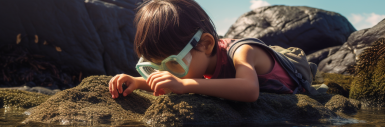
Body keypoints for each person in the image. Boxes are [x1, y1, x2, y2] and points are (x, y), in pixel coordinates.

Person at [109, 0, 304, 102]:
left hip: (295, 72)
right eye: (155, 67)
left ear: (206, 44)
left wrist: (185, 85)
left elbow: (250, 90)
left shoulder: (242, 53)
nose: (167, 73)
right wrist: (136, 82)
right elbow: (174, 82)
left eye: (174, 63)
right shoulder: (197, 62)